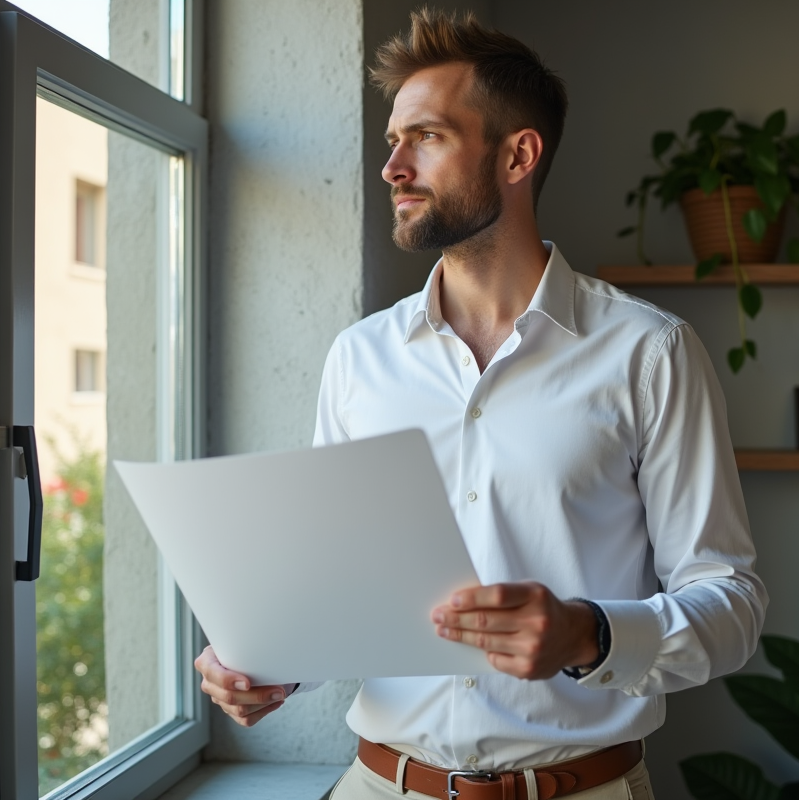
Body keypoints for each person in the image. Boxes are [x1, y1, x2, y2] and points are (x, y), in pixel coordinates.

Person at [196, 9, 767, 800]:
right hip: (380, 786)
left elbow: (731, 605)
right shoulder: (359, 359)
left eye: (426, 137)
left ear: (518, 155)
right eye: (393, 141)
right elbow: (342, 589)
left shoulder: (650, 353)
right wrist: (269, 664)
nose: (392, 167)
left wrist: (589, 633)